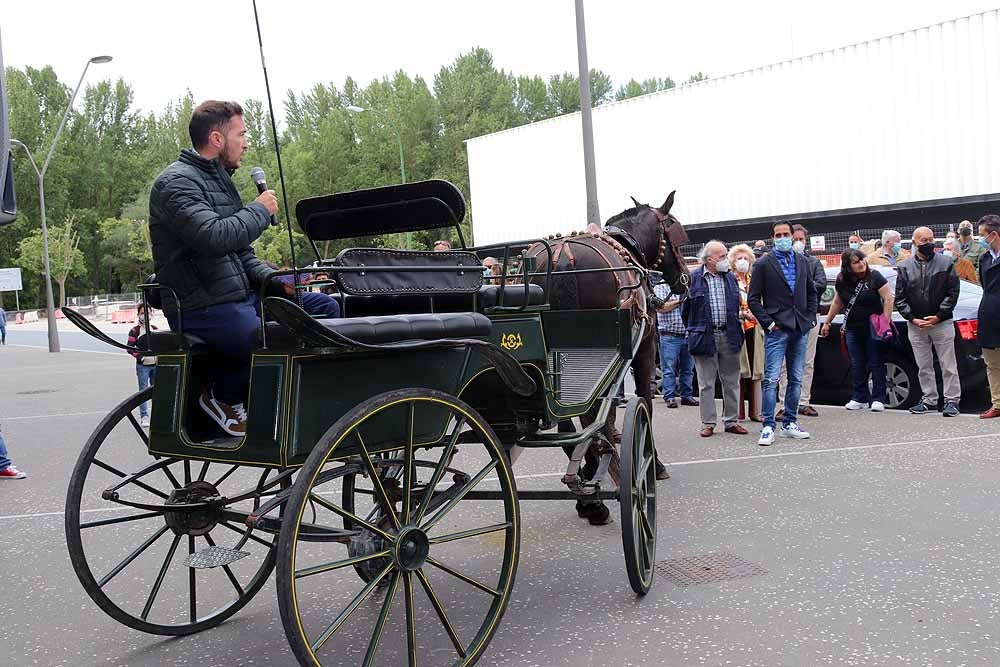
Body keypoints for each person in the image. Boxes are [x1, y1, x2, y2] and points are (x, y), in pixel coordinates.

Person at [149, 100, 278, 437]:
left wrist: (278, 282)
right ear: (218, 139)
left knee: (323, 307)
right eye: (242, 134)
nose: (246, 142)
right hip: (200, 305)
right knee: (263, 336)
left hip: (235, 297)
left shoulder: (221, 181)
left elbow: (241, 252)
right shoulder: (175, 183)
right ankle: (222, 396)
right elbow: (213, 237)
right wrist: (260, 211)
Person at [748, 221, 817, 446]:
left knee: (796, 378)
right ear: (773, 238)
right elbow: (753, 299)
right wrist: (768, 323)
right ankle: (768, 425)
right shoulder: (763, 264)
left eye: (786, 234)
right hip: (776, 329)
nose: (783, 238)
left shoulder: (803, 262)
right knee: (771, 379)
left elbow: (811, 292)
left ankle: (789, 422)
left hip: (800, 327)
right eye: (778, 235)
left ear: (793, 236)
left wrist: (809, 318)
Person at [682, 241, 747, 438]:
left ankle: (731, 421)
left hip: (730, 335)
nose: (726, 259)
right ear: (709, 259)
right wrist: (696, 330)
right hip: (704, 337)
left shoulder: (730, 279)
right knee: (706, 383)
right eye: (722, 256)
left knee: (731, 381)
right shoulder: (693, 279)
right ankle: (708, 422)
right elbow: (686, 313)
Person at [895, 226, 961, 416]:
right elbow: (900, 298)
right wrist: (912, 318)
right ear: (914, 242)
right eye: (924, 240)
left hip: (941, 322)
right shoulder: (905, 267)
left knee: (948, 365)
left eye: (931, 239)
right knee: (923, 366)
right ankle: (929, 399)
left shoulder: (946, 263)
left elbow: (953, 292)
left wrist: (939, 315)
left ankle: (952, 401)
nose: (928, 243)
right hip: (916, 325)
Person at [820, 249, 893, 411]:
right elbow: (837, 302)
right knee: (856, 363)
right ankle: (859, 397)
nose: (861, 264)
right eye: (856, 262)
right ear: (847, 266)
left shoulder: (875, 277)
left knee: (876, 361)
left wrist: (885, 322)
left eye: (862, 260)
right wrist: (827, 322)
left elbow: (888, 298)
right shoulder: (842, 279)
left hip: (874, 326)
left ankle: (878, 398)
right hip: (852, 327)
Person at [776, 224, 827, 418]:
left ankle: (803, 401)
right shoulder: (777, 262)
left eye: (800, 239)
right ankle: (784, 404)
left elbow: (820, 285)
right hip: (785, 317)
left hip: (809, 316)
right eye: (793, 238)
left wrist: (798, 288)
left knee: (807, 361)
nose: (796, 242)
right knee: (783, 364)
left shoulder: (813, 263)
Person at [653, 274, 697, 409]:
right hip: (669, 335)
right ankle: (670, 397)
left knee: (688, 370)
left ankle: (687, 396)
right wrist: (681, 301)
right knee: (669, 369)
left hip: (687, 334)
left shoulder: (687, 286)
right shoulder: (661, 286)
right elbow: (661, 307)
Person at [730, 244, 763, 421]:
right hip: (738, 328)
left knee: (756, 370)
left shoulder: (754, 280)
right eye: (738, 258)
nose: (742, 262)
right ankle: (737, 412)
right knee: (738, 371)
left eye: (745, 258)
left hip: (755, 329)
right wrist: (743, 313)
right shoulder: (729, 280)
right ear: (732, 262)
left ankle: (756, 411)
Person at [975, 214, 1000, 419]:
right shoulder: (984, 258)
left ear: (993, 234)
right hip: (990, 315)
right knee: (992, 364)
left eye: (983, 235)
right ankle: (998, 403)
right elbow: (985, 287)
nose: (981, 239)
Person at [127, 305, 158, 427]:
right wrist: (141, 357)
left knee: (157, 391)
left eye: (148, 312)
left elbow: (161, 345)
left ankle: (157, 415)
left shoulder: (155, 329)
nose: (145, 315)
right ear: (138, 315)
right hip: (143, 367)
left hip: (156, 365)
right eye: (142, 312)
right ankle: (144, 416)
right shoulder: (135, 331)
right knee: (143, 391)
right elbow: (129, 348)